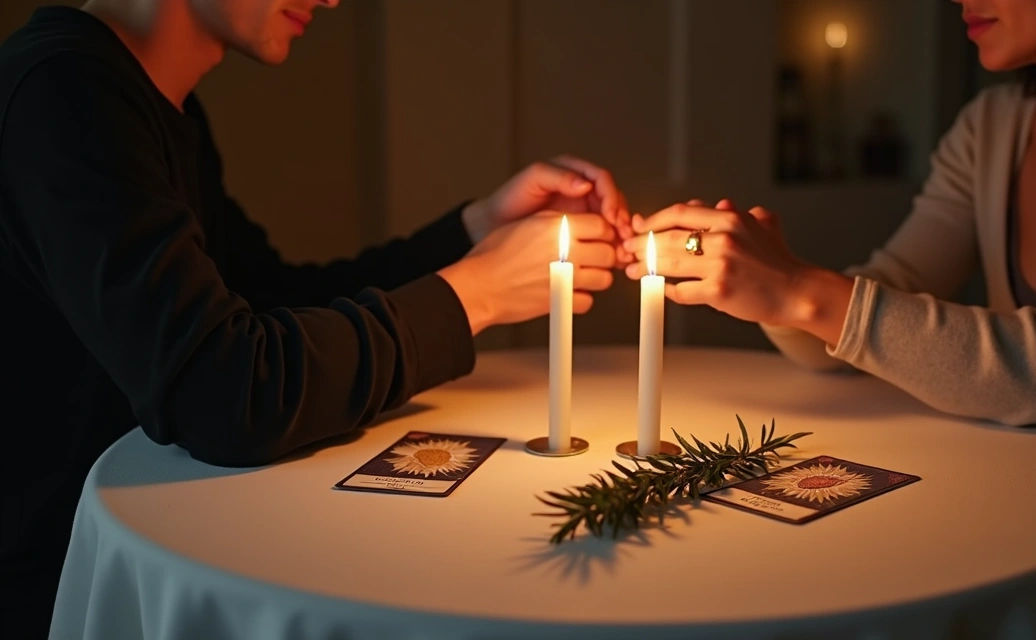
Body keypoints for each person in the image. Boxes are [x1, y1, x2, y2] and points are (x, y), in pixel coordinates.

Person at [0, 0, 634, 636]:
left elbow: (268, 304)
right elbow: (226, 395)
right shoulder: (64, 95)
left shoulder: (148, 99)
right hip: (65, 589)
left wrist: (474, 232)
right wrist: (477, 294)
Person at [625, 0, 1036, 636]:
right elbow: (879, 305)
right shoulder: (992, 128)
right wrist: (765, 287)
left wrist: (800, 290)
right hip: (1019, 528)